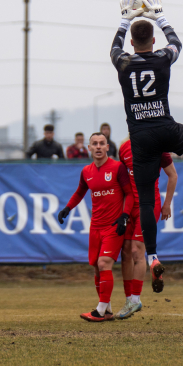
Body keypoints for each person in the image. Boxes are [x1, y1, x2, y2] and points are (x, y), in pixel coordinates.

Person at [111, 0, 183, 292]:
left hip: (139, 136)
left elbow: (114, 48)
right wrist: (159, 16)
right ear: (152, 41)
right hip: (164, 126)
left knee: (147, 202)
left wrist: (125, 21)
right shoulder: (163, 59)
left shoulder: (123, 63)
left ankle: (152, 256)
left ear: (133, 43)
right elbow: (176, 44)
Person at [57, 133, 134, 322]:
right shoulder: (86, 171)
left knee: (104, 263)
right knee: (97, 268)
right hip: (95, 227)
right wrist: (68, 207)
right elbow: (80, 192)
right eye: (94, 144)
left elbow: (130, 194)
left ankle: (99, 310)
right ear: (89, 148)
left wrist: (124, 216)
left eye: (102, 144)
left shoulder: (117, 168)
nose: (98, 147)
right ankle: (107, 310)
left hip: (113, 226)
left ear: (108, 147)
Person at [116, 138, 178, 318]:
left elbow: (173, 175)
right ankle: (129, 299)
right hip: (129, 207)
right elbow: (122, 178)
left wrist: (167, 204)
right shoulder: (124, 148)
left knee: (137, 250)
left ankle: (135, 299)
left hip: (149, 205)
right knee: (126, 252)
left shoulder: (159, 148)